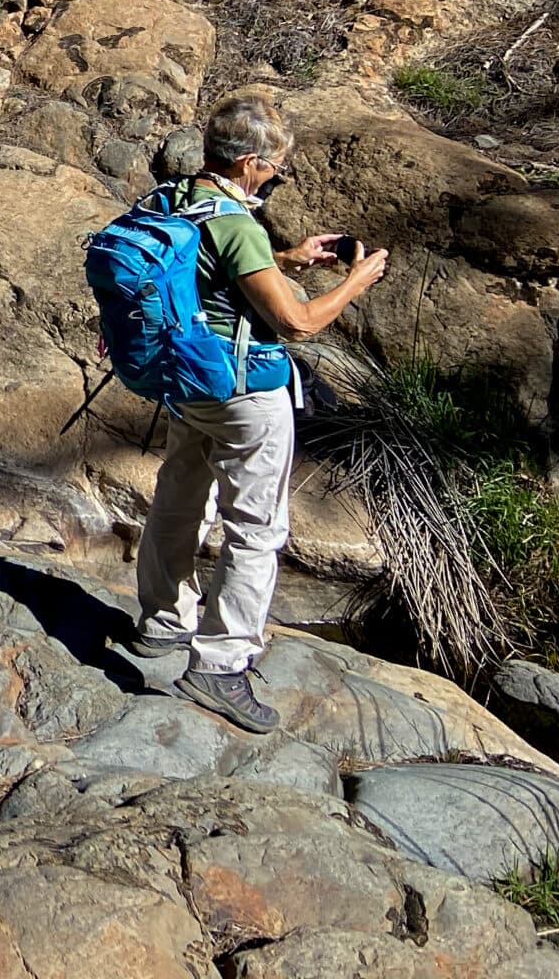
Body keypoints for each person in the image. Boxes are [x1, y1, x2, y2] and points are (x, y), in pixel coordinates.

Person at [130, 92, 388, 733]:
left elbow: (209, 271)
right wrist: (356, 282)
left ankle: (162, 623)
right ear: (248, 163)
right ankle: (222, 664)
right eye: (274, 168)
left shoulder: (178, 199)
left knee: (180, 495)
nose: (275, 177)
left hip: (187, 376)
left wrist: (289, 259)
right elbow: (297, 322)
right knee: (257, 528)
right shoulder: (239, 224)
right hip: (245, 393)